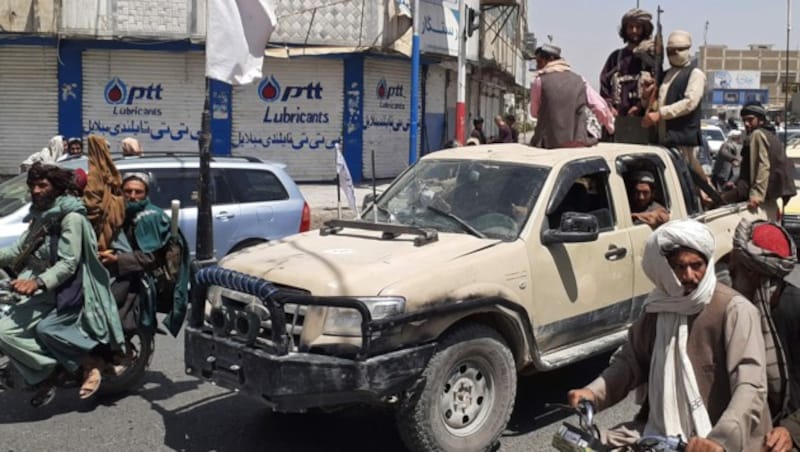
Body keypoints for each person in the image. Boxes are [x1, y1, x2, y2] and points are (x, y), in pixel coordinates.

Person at [567, 219, 771, 451]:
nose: (689, 275)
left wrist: (719, 440)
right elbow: (630, 361)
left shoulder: (734, 310)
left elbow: (750, 385)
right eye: (679, 267)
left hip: (722, 440)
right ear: (663, 269)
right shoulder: (657, 308)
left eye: (697, 265)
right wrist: (593, 393)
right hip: (664, 433)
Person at [0, 163, 125, 406]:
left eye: (42, 185)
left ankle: (49, 371)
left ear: (57, 188)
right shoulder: (42, 215)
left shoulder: (72, 218)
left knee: (4, 331)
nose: (35, 191)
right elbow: (19, 250)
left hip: (61, 290)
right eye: (32, 186)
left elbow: (69, 263)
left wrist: (36, 283)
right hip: (36, 285)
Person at [728, 220, 800, 452]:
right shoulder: (735, 310)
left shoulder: (794, 308)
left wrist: (791, 429)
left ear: (751, 273)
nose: (729, 269)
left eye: (735, 267)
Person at [99, 173, 189, 338]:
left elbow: (150, 257)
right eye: (128, 191)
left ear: (146, 194)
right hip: (124, 269)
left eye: (138, 192)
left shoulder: (150, 218)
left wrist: (118, 259)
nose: (132, 196)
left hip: (144, 276)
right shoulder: (122, 212)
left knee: (108, 308)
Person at [641, 30, 708, 184]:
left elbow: (690, 103)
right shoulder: (665, 75)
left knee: (688, 180)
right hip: (663, 140)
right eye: (670, 51)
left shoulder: (695, 74)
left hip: (682, 139)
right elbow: (652, 104)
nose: (675, 54)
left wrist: (661, 114)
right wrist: (646, 95)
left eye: (679, 50)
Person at [721, 102, 796, 221]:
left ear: (761, 120)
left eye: (750, 120)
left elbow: (762, 166)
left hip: (757, 201)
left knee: (716, 203)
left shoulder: (758, 134)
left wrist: (756, 195)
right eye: (744, 120)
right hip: (769, 202)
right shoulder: (770, 135)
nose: (746, 123)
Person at [530, 43, 614, 148]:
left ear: (550, 59)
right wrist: (610, 128)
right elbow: (600, 107)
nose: (537, 66)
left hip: (547, 144)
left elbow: (534, 113)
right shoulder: (580, 80)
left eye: (539, 62)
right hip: (577, 144)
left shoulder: (539, 81)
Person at [600, 8, 656, 118]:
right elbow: (604, 83)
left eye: (638, 27)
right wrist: (610, 107)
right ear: (625, 30)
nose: (634, 31)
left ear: (644, 29)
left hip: (643, 119)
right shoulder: (616, 57)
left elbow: (657, 84)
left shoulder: (650, 58)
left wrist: (640, 106)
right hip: (617, 117)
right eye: (630, 27)